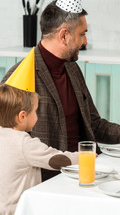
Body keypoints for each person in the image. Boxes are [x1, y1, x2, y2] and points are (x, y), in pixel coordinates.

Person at [1, 0, 120, 181]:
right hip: (50, 178)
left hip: (87, 169)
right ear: (64, 35)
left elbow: (94, 124)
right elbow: (9, 144)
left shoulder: (72, 69)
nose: (85, 41)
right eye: (82, 34)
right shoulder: (19, 77)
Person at [0, 51, 78, 214]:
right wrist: (84, 157)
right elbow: (56, 159)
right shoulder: (23, 142)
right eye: (35, 111)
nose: (37, 116)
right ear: (22, 116)